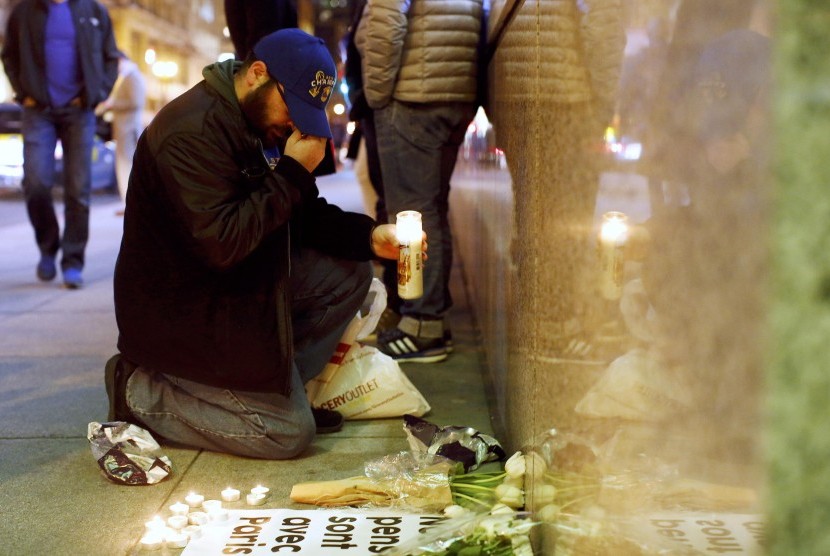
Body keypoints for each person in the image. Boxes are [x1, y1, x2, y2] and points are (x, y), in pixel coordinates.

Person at [105, 29, 407, 459]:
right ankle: (140, 393)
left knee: (350, 270)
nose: (294, 123)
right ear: (257, 74)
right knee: (287, 435)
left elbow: (299, 214)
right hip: (181, 313)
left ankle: (282, 395)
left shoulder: (256, 120)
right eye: (292, 106)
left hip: (232, 289)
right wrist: (291, 174)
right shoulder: (190, 133)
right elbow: (222, 245)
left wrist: (369, 236)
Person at [355, 0, 484, 363]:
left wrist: (378, 95)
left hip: (412, 91)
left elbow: (386, 13)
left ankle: (423, 325)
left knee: (411, 211)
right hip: (455, 86)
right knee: (432, 208)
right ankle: (430, 321)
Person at [1, 0, 119, 289]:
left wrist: (97, 92)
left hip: (79, 111)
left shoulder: (93, 12)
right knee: (36, 183)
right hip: (37, 109)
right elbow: (9, 55)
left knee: (78, 190)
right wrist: (22, 92)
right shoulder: (25, 11)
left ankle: (73, 260)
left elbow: (110, 57)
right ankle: (47, 247)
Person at [96, 52, 146, 211]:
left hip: (128, 128)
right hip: (125, 128)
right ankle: (129, 203)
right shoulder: (129, 76)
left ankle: (130, 204)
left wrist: (112, 104)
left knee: (126, 166)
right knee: (124, 165)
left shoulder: (132, 77)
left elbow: (135, 102)